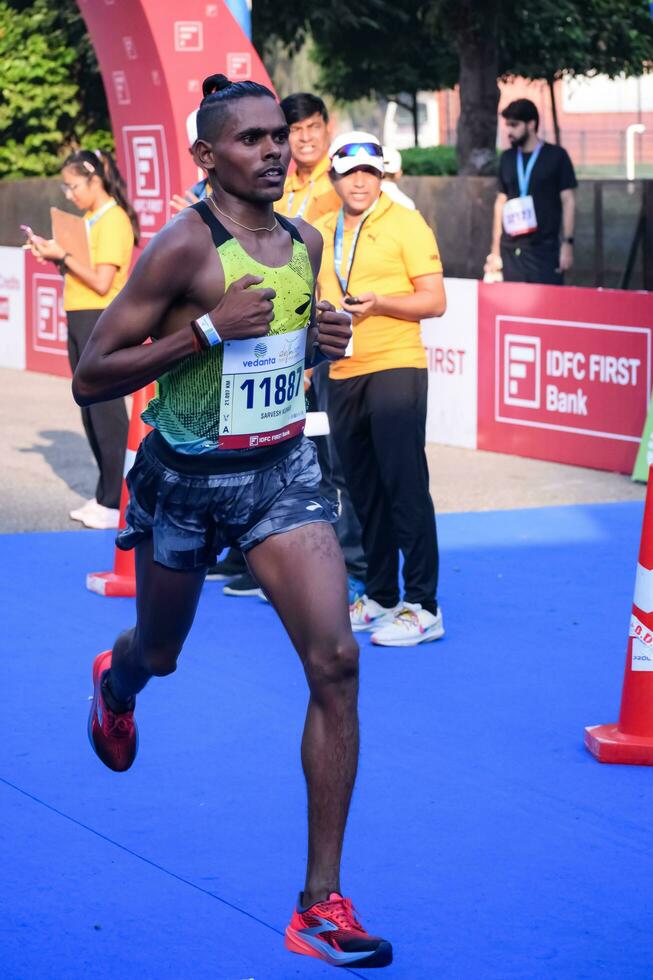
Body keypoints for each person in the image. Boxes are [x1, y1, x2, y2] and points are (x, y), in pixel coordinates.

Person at [73, 75, 392, 970]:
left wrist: (315, 344)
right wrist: (204, 333)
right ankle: (116, 680)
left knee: (335, 660)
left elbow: (283, 345)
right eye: (248, 139)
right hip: (182, 481)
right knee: (160, 653)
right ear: (208, 158)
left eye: (278, 136)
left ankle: (319, 902)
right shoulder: (180, 250)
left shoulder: (305, 236)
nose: (272, 151)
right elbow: (95, 374)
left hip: (279, 473)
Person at [215, 90, 367, 605]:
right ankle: (253, 556)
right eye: (286, 131)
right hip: (273, 345)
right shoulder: (281, 183)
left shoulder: (343, 185)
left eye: (302, 131)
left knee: (331, 464)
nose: (292, 143)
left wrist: (311, 348)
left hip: (329, 341)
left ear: (326, 129)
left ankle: (346, 569)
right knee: (265, 453)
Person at [314, 132, 446, 647]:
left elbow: (434, 300)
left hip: (396, 365)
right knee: (363, 491)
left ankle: (424, 605)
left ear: (383, 176)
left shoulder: (406, 223)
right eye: (351, 174)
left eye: (370, 172)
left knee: (404, 487)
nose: (361, 182)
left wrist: (381, 304)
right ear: (335, 179)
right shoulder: (322, 230)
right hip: (341, 371)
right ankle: (381, 595)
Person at [27, 149, 138, 529]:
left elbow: (102, 282)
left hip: (100, 318)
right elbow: (81, 275)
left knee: (106, 410)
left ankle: (116, 499)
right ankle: (104, 495)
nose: (69, 194)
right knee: (90, 407)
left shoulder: (113, 220)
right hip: (81, 315)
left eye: (73, 185)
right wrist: (56, 257)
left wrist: (64, 255)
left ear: (96, 181)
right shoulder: (91, 219)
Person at [484, 98, 577, 285]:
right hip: (511, 250)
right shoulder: (507, 158)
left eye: (514, 125)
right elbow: (500, 202)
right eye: (507, 125)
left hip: (544, 249)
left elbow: (568, 200)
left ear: (531, 124)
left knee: (546, 306)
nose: (508, 131)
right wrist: (495, 250)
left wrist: (567, 244)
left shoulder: (556, 156)